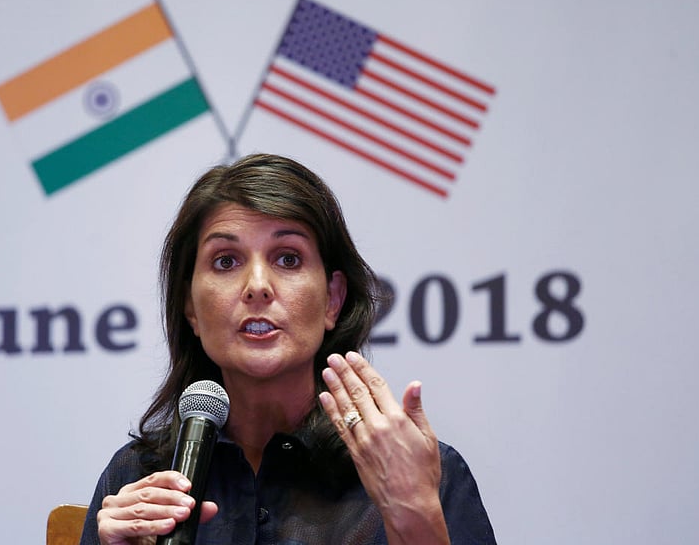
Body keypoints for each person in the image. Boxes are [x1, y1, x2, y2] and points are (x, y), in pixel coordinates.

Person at [80, 153, 496, 545]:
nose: (257, 285)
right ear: (189, 306)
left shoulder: (417, 472)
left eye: (288, 259)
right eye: (225, 261)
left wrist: (416, 518)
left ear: (333, 299)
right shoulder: (138, 477)